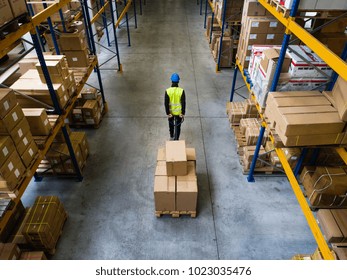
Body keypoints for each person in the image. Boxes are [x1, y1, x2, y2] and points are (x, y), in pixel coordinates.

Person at [164, 73, 186, 140]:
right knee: (178, 126)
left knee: (171, 125)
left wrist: (168, 113)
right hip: (179, 113)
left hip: (171, 113)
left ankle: (171, 135)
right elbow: (183, 103)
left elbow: (166, 103)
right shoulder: (181, 91)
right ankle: (177, 138)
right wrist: (182, 113)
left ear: (171, 80)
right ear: (178, 81)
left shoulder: (167, 91)